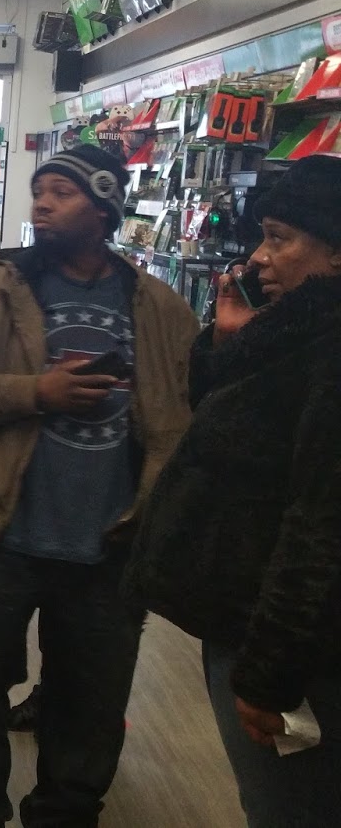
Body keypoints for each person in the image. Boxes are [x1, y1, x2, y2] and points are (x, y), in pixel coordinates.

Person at [0, 145, 198, 828]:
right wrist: (36, 391)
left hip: (110, 548)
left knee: (89, 718)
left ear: (104, 209)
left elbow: (184, 417)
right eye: (39, 189)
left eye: (62, 192)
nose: (42, 203)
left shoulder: (159, 309)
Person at [129, 156, 341, 825]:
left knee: (290, 808)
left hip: (286, 648)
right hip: (252, 629)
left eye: (280, 237)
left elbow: (319, 527)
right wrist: (226, 344)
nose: (259, 257)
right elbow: (235, 434)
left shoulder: (328, 351)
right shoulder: (296, 332)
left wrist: (267, 674)